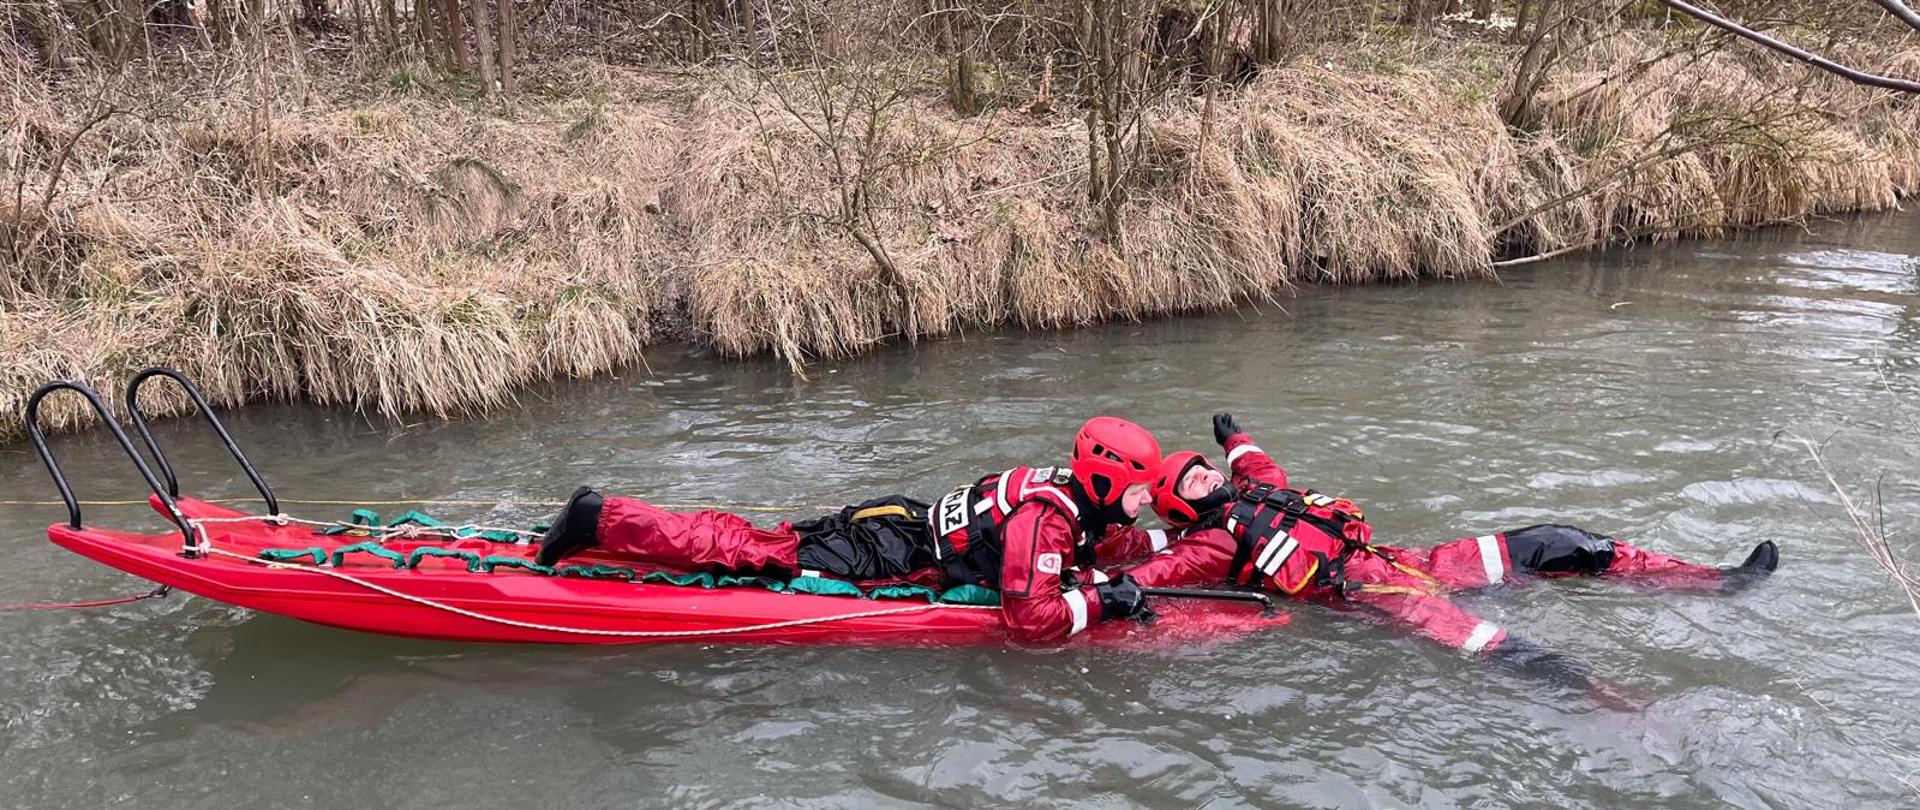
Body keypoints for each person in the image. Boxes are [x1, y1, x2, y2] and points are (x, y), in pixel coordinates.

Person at [1119, 412, 1780, 687]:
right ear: (1180, 504)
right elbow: (1154, 573)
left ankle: (1713, 581)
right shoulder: (1205, 545)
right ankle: (1611, 703)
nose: (1208, 474)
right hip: (1376, 597)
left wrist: (1232, 435)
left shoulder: (1255, 490)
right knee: (1507, 648)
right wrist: (1094, 579)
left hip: (1410, 561)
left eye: (1206, 467)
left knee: (1559, 543)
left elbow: (1257, 465)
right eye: (1193, 478)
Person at [535, 416, 1167, 642]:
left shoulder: (1072, 494)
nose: (1142, 503)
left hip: (901, 523)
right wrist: (1102, 601)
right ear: (1105, 481)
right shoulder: (1046, 519)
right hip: (885, 554)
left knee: (766, 540)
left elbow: (1110, 541)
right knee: (755, 554)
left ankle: (609, 520)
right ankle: (602, 517)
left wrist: (1177, 543)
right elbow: (1029, 621)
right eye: (1138, 491)